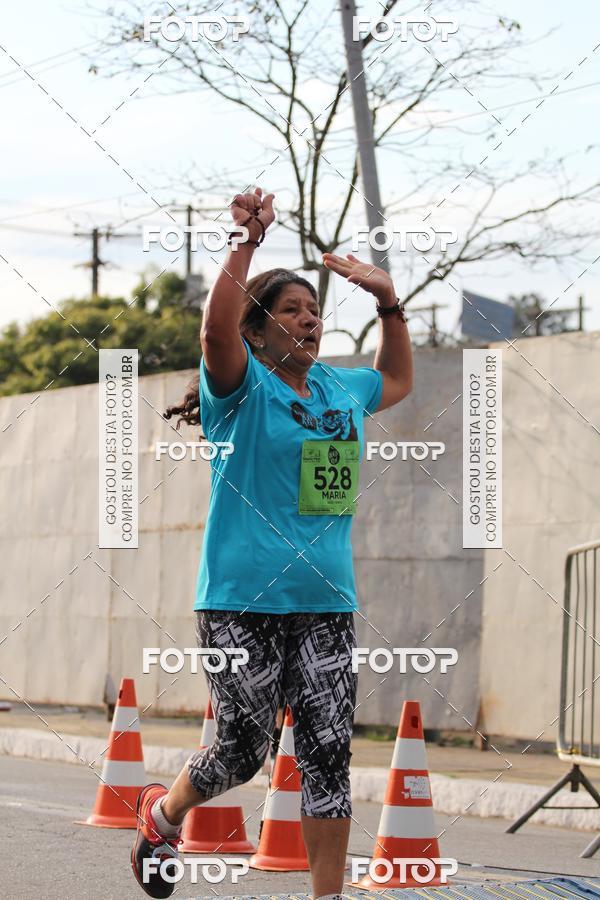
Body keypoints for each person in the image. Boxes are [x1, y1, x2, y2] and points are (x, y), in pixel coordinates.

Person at [131, 187, 413, 899]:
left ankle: (326, 897)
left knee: (327, 754)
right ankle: (164, 815)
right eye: (290, 311)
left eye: (315, 311)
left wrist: (388, 302)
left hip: (325, 601)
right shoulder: (241, 389)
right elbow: (213, 337)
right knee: (242, 750)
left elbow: (399, 378)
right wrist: (247, 244)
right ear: (258, 333)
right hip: (239, 600)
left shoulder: (340, 391)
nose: (309, 320)